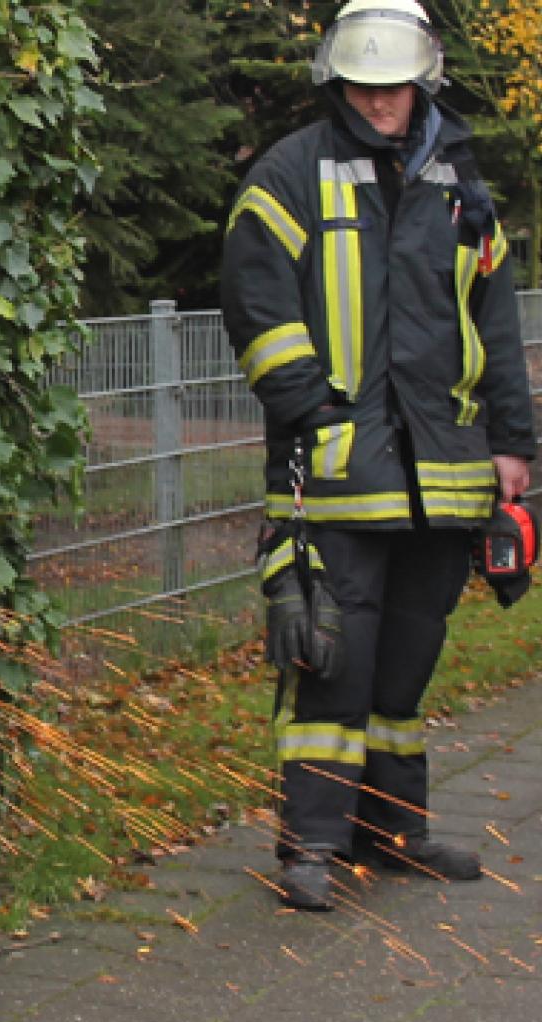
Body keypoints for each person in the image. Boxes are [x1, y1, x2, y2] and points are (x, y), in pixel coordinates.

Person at [221, 0, 535, 912]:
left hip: (444, 474)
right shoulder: (290, 173)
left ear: (420, 81)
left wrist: (512, 446)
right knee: (332, 658)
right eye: (362, 85)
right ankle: (311, 843)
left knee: (404, 665)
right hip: (336, 472)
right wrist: (306, 402)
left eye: (392, 85)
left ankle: (393, 830)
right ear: (338, 82)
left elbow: (494, 323)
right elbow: (256, 298)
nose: (378, 101)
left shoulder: (460, 185)